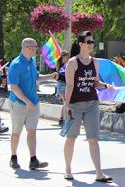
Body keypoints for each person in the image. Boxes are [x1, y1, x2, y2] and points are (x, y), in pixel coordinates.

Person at [64, 30, 113, 182]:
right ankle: (68, 170)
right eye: (89, 42)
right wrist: (67, 105)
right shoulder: (73, 62)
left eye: (93, 41)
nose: (92, 44)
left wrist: (105, 85)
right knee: (71, 137)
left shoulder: (95, 62)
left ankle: (99, 173)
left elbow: (95, 82)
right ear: (81, 44)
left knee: (93, 139)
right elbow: (69, 85)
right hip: (75, 105)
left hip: (92, 103)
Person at [8, 38, 58, 169]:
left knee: (32, 132)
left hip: (33, 103)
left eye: (36, 46)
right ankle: (13, 157)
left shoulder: (32, 61)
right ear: (26, 47)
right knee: (16, 133)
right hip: (19, 104)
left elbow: (36, 77)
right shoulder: (16, 64)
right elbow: (13, 86)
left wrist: (49, 77)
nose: (36, 49)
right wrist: (26, 101)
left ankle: (33, 160)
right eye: (34, 47)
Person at [55, 50, 70, 126]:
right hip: (61, 85)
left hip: (64, 85)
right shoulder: (62, 65)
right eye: (66, 56)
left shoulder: (67, 64)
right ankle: (64, 119)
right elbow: (58, 76)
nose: (67, 57)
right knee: (66, 102)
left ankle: (62, 119)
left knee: (65, 102)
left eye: (67, 56)